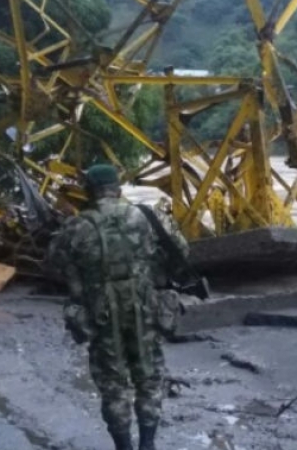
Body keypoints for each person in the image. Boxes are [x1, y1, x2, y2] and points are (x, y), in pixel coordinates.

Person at [50, 164, 190, 450]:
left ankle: (123, 446)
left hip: (101, 313)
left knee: (113, 384)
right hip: (145, 308)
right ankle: (148, 444)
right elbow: (181, 250)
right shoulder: (148, 217)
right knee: (149, 377)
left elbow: (54, 264)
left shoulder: (77, 225)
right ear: (118, 188)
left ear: (89, 191)